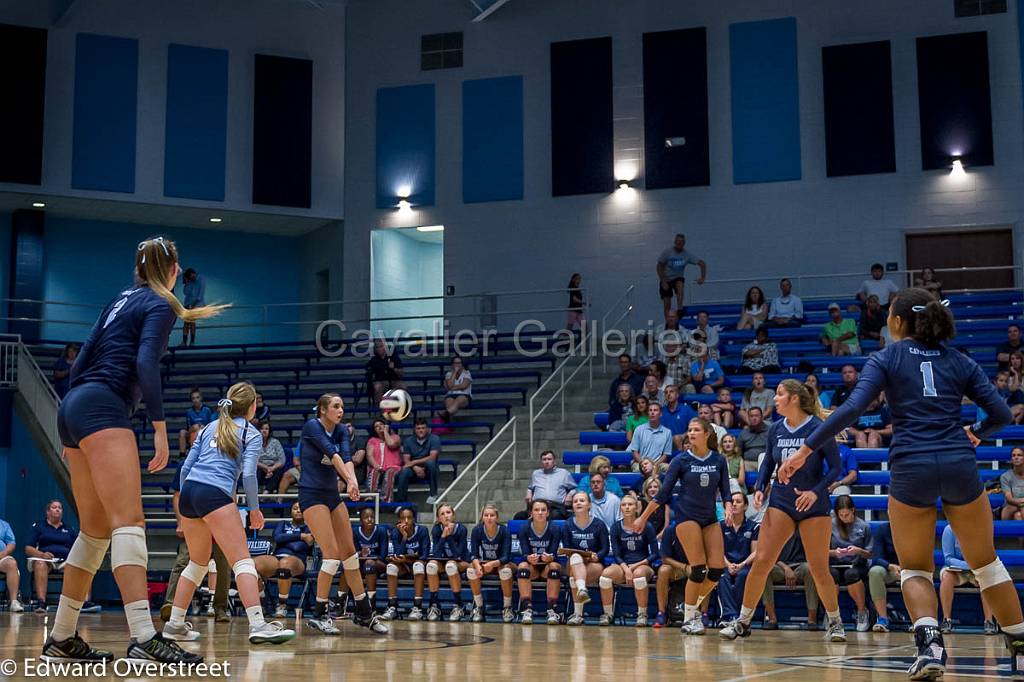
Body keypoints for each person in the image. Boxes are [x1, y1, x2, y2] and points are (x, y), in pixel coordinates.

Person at [787, 287, 1024, 679]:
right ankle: (1020, 648)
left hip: (912, 466)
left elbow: (852, 408)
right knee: (986, 563)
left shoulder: (887, 356)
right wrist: (977, 431)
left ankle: (930, 648)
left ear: (896, 322)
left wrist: (806, 449)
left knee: (914, 568)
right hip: (957, 463)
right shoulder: (959, 359)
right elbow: (1000, 412)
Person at [43, 236, 227, 663]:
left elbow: (82, 358)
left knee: (95, 532)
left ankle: (61, 637)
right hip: (103, 406)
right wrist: (161, 429)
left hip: (76, 405)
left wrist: (72, 419)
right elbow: (146, 364)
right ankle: (144, 636)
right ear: (173, 271)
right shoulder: (161, 305)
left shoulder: (119, 299)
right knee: (129, 523)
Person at [161, 382, 294, 645]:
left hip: (189, 494)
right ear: (253, 406)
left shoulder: (210, 426)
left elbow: (187, 466)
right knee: (242, 561)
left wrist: (188, 501)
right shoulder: (251, 432)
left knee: (197, 563)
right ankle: (258, 625)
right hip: (214, 494)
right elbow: (248, 474)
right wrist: (255, 510)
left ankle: (175, 625)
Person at [718, 379, 846, 643]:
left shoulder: (818, 428)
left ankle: (835, 622)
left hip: (813, 504)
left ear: (795, 399)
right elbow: (767, 466)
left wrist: (815, 491)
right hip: (782, 502)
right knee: (762, 561)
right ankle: (742, 621)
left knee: (819, 569)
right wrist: (761, 487)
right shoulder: (775, 429)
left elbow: (835, 468)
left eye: (779, 394)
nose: (774, 399)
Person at [298, 393, 388, 635]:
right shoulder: (312, 427)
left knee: (350, 555)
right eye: (336, 407)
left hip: (331, 496)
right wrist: (349, 480)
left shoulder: (340, 430)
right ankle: (318, 614)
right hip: (311, 496)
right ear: (322, 410)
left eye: (342, 406)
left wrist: (351, 482)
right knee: (331, 556)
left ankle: (364, 613)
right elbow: (333, 455)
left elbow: (347, 457)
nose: (340, 411)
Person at [635, 417, 732, 635]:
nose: (691, 433)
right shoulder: (681, 461)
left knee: (716, 570)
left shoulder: (718, 459)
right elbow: (663, 493)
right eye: (689, 430)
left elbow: (725, 490)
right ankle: (689, 618)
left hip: (709, 518)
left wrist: (727, 506)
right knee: (698, 569)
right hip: (687, 517)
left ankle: (692, 607)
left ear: (707, 433)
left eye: (696, 429)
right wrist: (643, 517)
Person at [600, 494, 658, 627]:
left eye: (630, 504)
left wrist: (634, 567)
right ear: (620, 508)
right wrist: (626, 569)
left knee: (638, 575)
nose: (627, 507)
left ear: (637, 507)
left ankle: (642, 614)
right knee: (605, 575)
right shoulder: (616, 527)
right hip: (623, 564)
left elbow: (655, 554)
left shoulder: (646, 526)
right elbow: (616, 554)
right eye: (624, 505)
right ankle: (608, 614)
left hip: (643, 564)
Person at [562, 492, 610, 626]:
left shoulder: (599, 524)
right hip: (574, 562)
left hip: (594, 564)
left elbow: (605, 549)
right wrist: (581, 556)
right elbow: (567, 548)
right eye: (575, 501)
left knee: (574, 579)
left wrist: (596, 556)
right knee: (576, 557)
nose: (578, 503)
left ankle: (578, 614)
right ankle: (582, 589)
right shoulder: (567, 524)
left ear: (589, 505)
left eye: (582, 500)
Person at [939, 524, 996, 634]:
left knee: (986, 578)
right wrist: (967, 565)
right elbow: (948, 558)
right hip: (956, 570)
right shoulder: (949, 530)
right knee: (947, 577)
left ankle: (989, 621)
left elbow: (985, 553)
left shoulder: (981, 529)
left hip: (976, 570)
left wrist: (975, 565)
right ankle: (946, 620)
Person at [829, 495, 873, 632]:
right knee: (831, 574)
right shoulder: (830, 525)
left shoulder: (863, 526)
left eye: (846, 514)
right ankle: (832, 615)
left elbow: (870, 554)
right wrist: (835, 552)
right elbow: (820, 551)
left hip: (856, 565)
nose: (844, 517)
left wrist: (858, 551)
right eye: (840, 515)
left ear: (853, 510)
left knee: (851, 574)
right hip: (835, 563)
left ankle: (862, 612)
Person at [516, 499, 563, 625]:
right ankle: (527, 609)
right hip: (533, 568)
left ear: (548, 513)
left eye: (543, 510)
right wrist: (529, 558)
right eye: (536, 510)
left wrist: (550, 558)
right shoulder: (524, 528)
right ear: (531, 512)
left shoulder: (554, 529)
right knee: (522, 566)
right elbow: (525, 553)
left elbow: (554, 553)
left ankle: (552, 610)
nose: (540, 513)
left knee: (554, 566)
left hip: (547, 566)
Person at [26, 500, 78, 612]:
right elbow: (28, 549)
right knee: (40, 564)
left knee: (79, 566)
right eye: (54, 507)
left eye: (60, 507)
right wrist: (42, 554)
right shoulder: (39, 526)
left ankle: (82, 603)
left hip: (65, 561)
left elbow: (76, 547)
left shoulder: (69, 528)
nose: (58, 509)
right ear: (48, 512)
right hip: (47, 560)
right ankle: (41, 602)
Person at [381, 506, 431, 621]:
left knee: (418, 565)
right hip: (403, 566)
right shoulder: (395, 532)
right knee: (390, 567)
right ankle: (392, 606)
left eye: (409, 517)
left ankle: (417, 607)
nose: (406, 521)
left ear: (414, 519)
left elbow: (424, 555)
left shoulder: (422, 530)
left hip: (416, 565)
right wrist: (404, 536)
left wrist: (407, 559)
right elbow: (398, 554)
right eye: (403, 518)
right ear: (399, 520)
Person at [717, 492, 759, 625]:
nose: (734, 504)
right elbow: (717, 551)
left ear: (746, 506)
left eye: (738, 502)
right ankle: (730, 616)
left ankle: (739, 616)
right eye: (732, 502)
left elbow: (756, 551)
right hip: (725, 565)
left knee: (744, 576)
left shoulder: (754, 526)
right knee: (721, 577)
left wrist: (741, 564)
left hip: (745, 565)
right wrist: (728, 564)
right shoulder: (721, 526)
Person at [467, 504, 514, 623]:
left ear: (497, 518)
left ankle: (507, 607)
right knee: (471, 570)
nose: (489, 518)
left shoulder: (504, 531)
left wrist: (493, 564)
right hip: (484, 563)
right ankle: (479, 607)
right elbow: (473, 554)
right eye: (486, 515)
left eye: (492, 515)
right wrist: (478, 566)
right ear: (482, 517)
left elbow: (506, 557)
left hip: (501, 563)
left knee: (506, 570)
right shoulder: (477, 530)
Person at [760, 532, 818, 630]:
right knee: (764, 570)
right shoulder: (777, 530)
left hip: (801, 566)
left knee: (810, 569)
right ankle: (772, 619)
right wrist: (786, 568)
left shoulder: (806, 527)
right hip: (780, 567)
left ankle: (812, 619)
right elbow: (771, 555)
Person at [269, 502, 314, 618]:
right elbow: (277, 538)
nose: (298, 510)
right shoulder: (282, 523)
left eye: (301, 508)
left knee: (285, 564)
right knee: (253, 565)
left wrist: (285, 540)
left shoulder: (309, 527)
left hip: (297, 561)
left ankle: (282, 605)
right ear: (290, 512)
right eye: (295, 508)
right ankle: (262, 603)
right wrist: (301, 536)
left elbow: (298, 547)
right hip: (277, 557)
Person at [427, 503, 471, 621]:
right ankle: (435, 605)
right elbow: (436, 554)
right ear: (438, 519)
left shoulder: (461, 529)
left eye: (448, 512)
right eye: (442, 514)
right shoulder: (436, 530)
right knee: (431, 565)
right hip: (444, 562)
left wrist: (449, 536)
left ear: (453, 515)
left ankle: (458, 605)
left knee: (451, 565)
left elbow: (458, 554)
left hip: (462, 562)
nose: (446, 516)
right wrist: (443, 536)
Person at [657, 233, 706, 319]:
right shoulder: (668, 252)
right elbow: (659, 266)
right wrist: (663, 281)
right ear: (675, 242)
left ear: (684, 244)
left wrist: (702, 278)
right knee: (667, 304)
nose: (680, 244)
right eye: (678, 242)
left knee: (680, 284)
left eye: (682, 242)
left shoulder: (686, 254)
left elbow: (702, 264)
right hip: (666, 278)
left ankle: (680, 309)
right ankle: (668, 323)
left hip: (677, 278)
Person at [517, 450, 576, 520]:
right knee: (519, 516)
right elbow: (530, 487)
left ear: (554, 461)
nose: (546, 461)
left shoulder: (564, 473)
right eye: (544, 459)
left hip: (555, 507)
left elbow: (575, 488)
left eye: (549, 459)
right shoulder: (536, 474)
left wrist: (570, 495)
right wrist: (529, 492)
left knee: (554, 516)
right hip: (537, 505)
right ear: (541, 462)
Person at [350, 507, 388, 613]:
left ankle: (372, 604)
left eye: (372, 517)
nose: (370, 519)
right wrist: (360, 553)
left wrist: (368, 555)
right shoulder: (355, 531)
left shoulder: (381, 531)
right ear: (361, 520)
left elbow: (383, 555)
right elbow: (354, 552)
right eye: (366, 517)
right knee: (347, 566)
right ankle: (341, 603)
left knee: (370, 563)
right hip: (360, 564)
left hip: (379, 564)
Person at [395, 418, 441, 504]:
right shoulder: (408, 441)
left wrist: (413, 463)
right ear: (414, 429)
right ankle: (401, 503)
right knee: (404, 472)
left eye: (423, 428)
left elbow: (432, 457)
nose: (421, 430)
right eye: (418, 428)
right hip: (413, 469)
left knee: (430, 463)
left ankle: (433, 494)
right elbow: (406, 459)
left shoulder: (435, 439)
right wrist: (415, 467)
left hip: (428, 469)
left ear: (427, 429)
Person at [654, 523, 690, 628]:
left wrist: (694, 567)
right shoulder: (670, 529)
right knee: (663, 570)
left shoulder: (700, 527)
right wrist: (684, 567)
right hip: (677, 568)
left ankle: (703, 614)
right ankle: (661, 613)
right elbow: (665, 558)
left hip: (696, 566)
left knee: (706, 571)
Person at [868, 521, 901, 633]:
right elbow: (876, 557)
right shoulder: (883, 529)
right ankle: (883, 619)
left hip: (910, 567)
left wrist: (906, 569)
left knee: (915, 574)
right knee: (875, 572)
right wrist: (889, 566)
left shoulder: (913, 528)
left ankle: (917, 621)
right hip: (890, 569)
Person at [627, 402, 673, 476]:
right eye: (650, 410)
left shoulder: (667, 432)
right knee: (636, 469)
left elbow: (666, 455)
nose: (652, 412)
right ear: (647, 413)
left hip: (658, 464)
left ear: (660, 414)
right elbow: (634, 452)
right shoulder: (639, 429)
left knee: (669, 468)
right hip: (641, 463)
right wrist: (644, 463)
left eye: (655, 410)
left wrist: (654, 465)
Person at [367, 418, 402, 502]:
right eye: (376, 426)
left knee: (389, 474)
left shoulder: (395, 437)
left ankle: (386, 500)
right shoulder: (372, 441)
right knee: (374, 472)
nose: (379, 427)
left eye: (381, 425)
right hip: (378, 466)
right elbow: (369, 455)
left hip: (393, 467)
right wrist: (376, 465)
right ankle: (371, 498)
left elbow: (391, 444)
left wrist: (385, 431)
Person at [367, 338, 406, 403]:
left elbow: (401, 373)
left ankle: (402, 409)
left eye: (381, 346)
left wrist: (394, 368)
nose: (379, 349)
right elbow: (370, 373)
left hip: (394, 380)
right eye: (377, 347)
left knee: (402, 386)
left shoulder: (393, 357)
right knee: (377, 386)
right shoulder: (374, 360)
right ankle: (381, 408)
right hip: (381, 382)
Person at [179, 388, 215, 456]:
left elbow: (212, 425)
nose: (195, 400)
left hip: (205, 432)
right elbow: (189, 427)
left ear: (201, 398)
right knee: (182, 432)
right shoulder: (189, 412)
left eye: (197, 398)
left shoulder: (207, 410)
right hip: (192, 430)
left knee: (197, 432)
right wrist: (194, 428)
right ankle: (182, 455)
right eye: (193, 398)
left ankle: (195, 455)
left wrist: (202, 428)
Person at [661, 384, 697, 451]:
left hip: (683, 440)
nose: (668, 394)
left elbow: (695, 426)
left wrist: (683, 435)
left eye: (671, 391)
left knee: (677, 438)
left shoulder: (686, 409)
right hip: (664, 443)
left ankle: (681, 458)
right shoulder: (661, 411)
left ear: (677, 395)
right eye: (666, 392)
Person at [437, 355, 472, 422]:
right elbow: (450, 385)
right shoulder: (449, 374)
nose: (457, 365)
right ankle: (449, 424)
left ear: (462, 364)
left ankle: (446, 413)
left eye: (459, 363)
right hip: (451, 395)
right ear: (452, 364)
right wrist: (455, 372)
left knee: (459, 399)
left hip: (464, 395)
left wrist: (452, 388)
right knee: (448, 401)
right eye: (455, 363)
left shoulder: (467, 373)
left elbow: (464, 386)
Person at [256, 420, 287, 493]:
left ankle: (267, 491)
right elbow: (252, 460)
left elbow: (282, 460)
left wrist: (271, 468)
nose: (264, 431)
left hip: (274, 467)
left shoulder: (275, 442)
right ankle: (253, 494)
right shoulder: (254, 443)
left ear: (269, 431)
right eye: (262, 429)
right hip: (260, 467)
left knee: (280, 471)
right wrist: (265, 468)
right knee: (254, 471)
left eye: (266, 429)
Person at [0, 517, 23, 612]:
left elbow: (11, 543)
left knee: (12, 563)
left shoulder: (4, 525)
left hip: (1, 557)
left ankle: (14, 601)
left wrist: (4, 553)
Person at [180, 267, 206, 346]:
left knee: (191, 322)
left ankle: (190, 342)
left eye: (193, 277)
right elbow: (185, 293)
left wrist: (193, 305)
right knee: (187, 323)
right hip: (188, 304)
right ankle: (186, 342)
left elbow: (200, 296)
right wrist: (187, 282)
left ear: (194, 273)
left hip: (196, 305)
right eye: (191, 278)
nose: (192, 279)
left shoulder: (201, 279)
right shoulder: (190, 281)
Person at [1000, 447, 1024, 520]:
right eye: (1013, 455)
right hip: (1011, 508)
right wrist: (1022, 504)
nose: (1016, 457)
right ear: (1011, 460)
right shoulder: (1005, 476)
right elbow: (1009, 499)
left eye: (1019, 455)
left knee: (1018, 516)